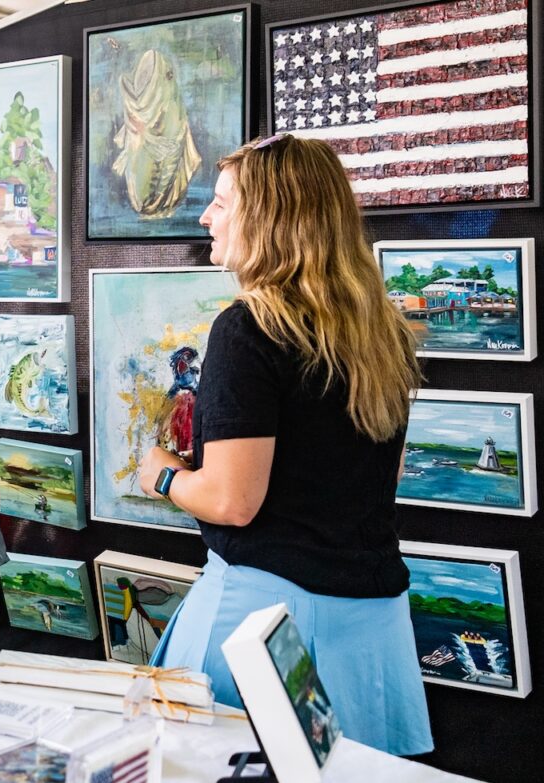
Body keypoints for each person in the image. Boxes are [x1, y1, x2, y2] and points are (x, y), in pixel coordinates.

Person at [138, 134, 432, 756]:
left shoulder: (250, 327)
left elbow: (233, 501)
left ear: (270, 217)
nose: (205, 217)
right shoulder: (384, 333)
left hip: (265, 622)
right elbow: (385, 476)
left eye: (220, 202)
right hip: (370, 623)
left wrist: (161, 474)